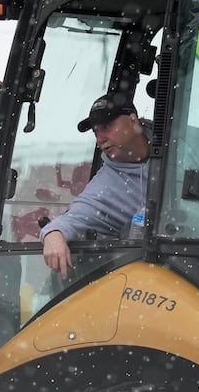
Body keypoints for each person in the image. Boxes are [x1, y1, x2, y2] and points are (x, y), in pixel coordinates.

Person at [41, 94, 151, 278]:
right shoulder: (106, 185)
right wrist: (53, 233)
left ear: (133, 121)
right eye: (95, 132)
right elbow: (76, 216)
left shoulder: (185, 141)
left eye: (106, 127)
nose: (100, 139)